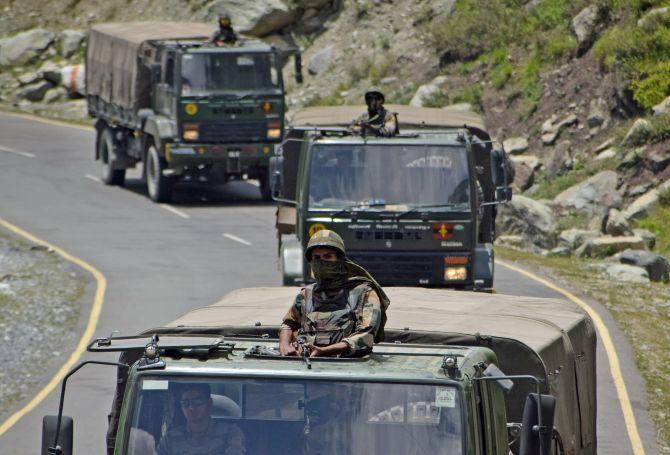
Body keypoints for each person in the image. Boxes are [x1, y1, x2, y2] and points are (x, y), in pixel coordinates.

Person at [279, 229, 390, 358]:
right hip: (308, 367)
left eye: (327, 256)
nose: (322, 262)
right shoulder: (306, 296)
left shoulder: (364, 293)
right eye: (316, 258)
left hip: (350, 368)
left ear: (340, 260)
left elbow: (367, 334)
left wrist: (326, 351)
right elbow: (288, 323)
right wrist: (285, 345)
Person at [157, 383, 245, 455]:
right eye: (186, 403)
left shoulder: (230, 433)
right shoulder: (170, 439)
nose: (191, 408)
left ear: (209, 403)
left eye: (197, 402)